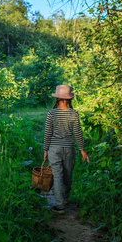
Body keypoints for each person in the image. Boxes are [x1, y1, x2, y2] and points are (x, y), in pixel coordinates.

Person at [43, 85, 90, 214]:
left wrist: (45, 149)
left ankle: (60, 206)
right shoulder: (74, 113)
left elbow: (47, 133)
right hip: (69, 148)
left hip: (54, 148)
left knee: (58, 176)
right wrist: (82, 150)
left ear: (57, 98)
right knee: (68, 175)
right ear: (69, 99)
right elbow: (78, 133)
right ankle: (65, 199)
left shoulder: (51, 113)